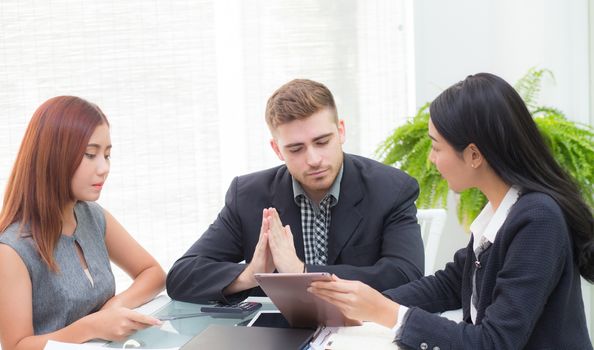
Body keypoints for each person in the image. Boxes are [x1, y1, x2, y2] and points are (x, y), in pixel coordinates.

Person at [309, 73, 594, 349]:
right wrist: (365, 304)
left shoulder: (538, 220)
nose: (431, 160)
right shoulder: (503, 211)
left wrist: (388, 312)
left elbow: (493, 343)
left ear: (473, 155)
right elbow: (450, 284)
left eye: (436, 147)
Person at [166, 79, 424, 303]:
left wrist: (302, 273)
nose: (313, 159)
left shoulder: (391, 189)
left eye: (322, 142)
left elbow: (406, 276)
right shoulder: (247, 196)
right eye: (296, 149)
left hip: (361, 330)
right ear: (277, 149)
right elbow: (182, 277)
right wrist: (251, 273)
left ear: (341, 131)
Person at [0, 96, 166, 349]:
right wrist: (93, 325)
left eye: (107, 155)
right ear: (53, 156)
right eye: (90, 155)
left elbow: (153, 274)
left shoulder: (92, 216)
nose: (104, 168)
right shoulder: (12, 249)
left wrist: (115, 306)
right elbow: (16, 346)